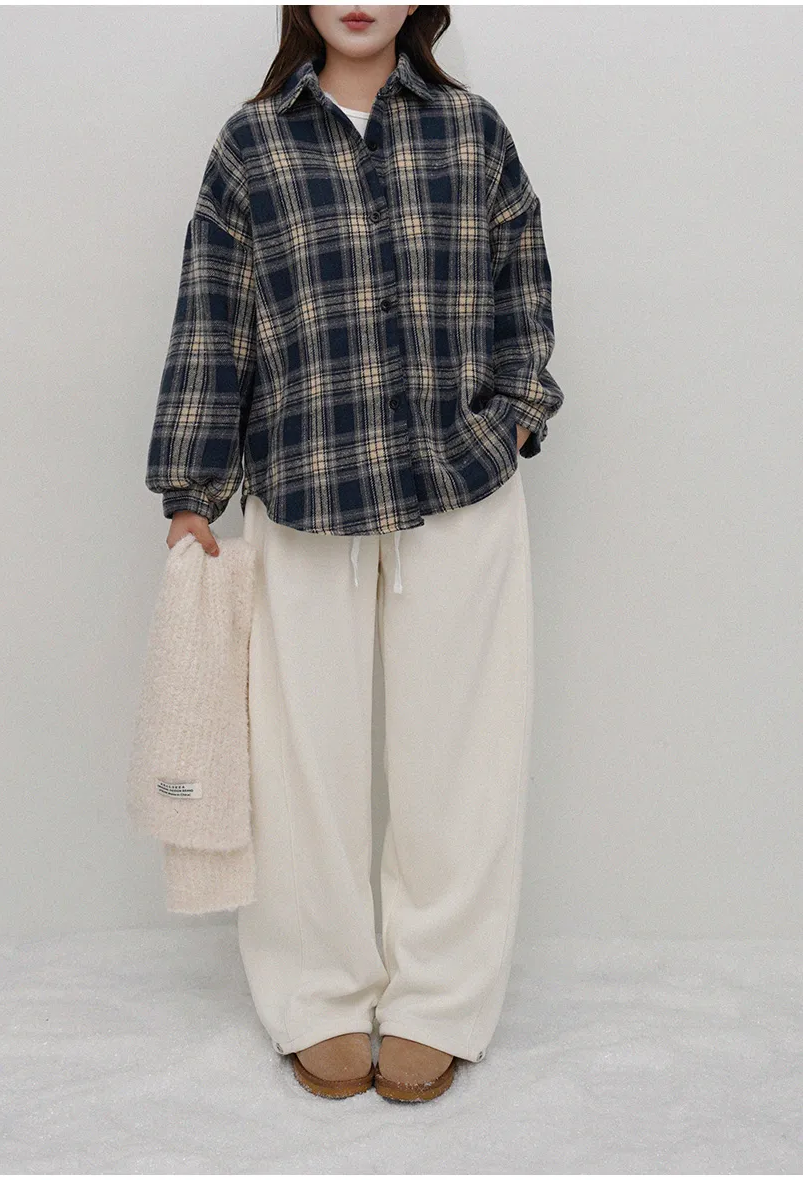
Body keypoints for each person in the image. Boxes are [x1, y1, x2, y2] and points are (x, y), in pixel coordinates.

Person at [145, 4, 564, 1102]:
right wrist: (193, 490)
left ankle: (439, 998)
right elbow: (213, 316)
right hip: (304, 483)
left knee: (461, 756)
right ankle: (318, 993)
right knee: (303, 760)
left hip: (460, 489)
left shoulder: (473, 131)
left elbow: (523, 286)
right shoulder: (252, 143)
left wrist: (513, 419)